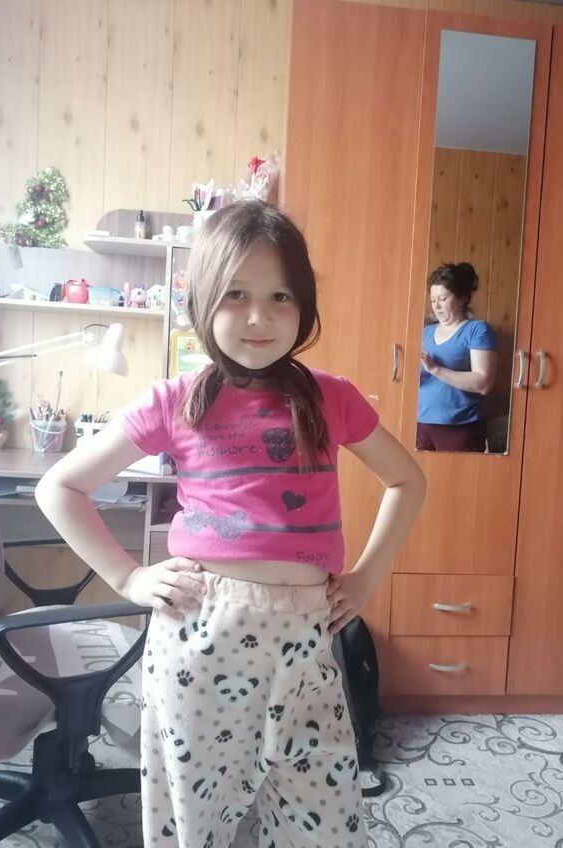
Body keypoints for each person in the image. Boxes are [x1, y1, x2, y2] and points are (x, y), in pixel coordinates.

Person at [35, 200, 426, 848]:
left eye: (280, 296)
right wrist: (128, 578)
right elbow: (60, 488)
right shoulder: (176, 400)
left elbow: (408, 480)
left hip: (305, 639)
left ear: (303, 306)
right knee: (198, 827)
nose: (258, 317)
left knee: (324, 823)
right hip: (201, 638)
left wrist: (366, 577)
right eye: (236, 294)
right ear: (203, 299)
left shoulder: (331, 397)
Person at [416, 262, 498, 452]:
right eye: (433, 300)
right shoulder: (425, 333)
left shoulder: (477, 330)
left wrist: (435, 369)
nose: (436, 306)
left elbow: (483, 383)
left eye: (443, 299)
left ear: (462, 298)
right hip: (420, 424)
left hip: (461, 427)